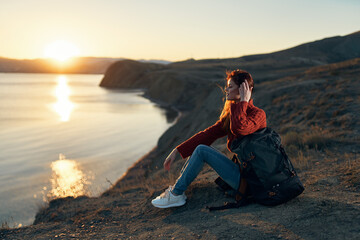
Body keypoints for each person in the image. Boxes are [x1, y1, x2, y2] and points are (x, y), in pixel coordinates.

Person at [151, 69, 267, 208]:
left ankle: (176, 194)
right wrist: (177, 150)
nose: (226, 90)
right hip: (242, 173)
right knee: (202, 147)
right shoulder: (232, 114)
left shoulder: (258, 115)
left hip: (251, 182)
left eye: (230, 87)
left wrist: (243, 102)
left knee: (201, 150)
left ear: (244, 89)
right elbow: (208, 134)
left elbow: (240, 128)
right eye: (227, 86)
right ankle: (176, 190)